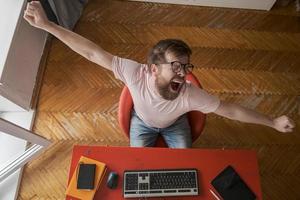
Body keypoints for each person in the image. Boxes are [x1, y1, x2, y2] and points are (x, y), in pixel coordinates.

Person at [24, 1, 295, 148]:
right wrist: (48, 25)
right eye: (176, 66)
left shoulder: (189, 95)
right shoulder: (134, 73)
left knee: (185, 171)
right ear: (153, 69)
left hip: (176, 125)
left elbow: (232, 111)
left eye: (186, 67)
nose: (183, 75)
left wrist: (272, 122)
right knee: (137, 173)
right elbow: (92, 53)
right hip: (141, 123)